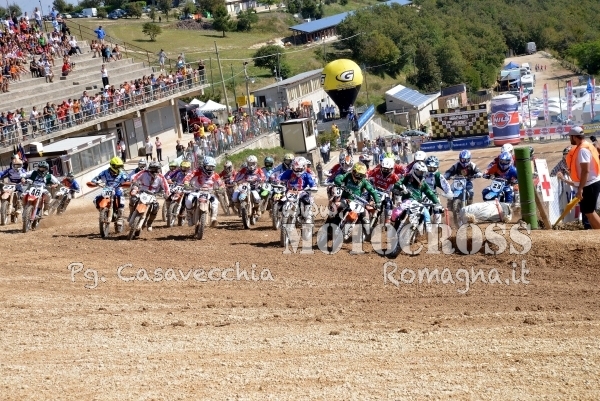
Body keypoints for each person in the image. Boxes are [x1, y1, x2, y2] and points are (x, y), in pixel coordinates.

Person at [564, 126, 600, 229]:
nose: (570, 139)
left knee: (589, 212)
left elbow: (585, 170)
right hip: (590, 183)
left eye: (570, 137)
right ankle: (596, 234)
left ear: (575, 137)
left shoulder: (582, 150)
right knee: (588, 212)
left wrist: (580, 189)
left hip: (589, 184)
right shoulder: (587, 146)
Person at [391, 161, 442, 233]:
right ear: (414, 171)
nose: (421, 175)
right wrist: (398, 189)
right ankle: (392, 226)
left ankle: (428, 232)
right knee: (396, 213)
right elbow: (398, 183)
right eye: (420, 173)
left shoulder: (423, 183)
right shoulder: (408, 178)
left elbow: (429, 193)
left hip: (418, 203)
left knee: (426, 213)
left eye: (423, 173)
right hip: (407, 201)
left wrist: (436, 202)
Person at [333, 162, 381, 237]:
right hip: (345, 199)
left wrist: (378, 202)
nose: (359, 176)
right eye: (357, 174)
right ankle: (332, 225)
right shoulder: (348, 175)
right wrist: (340, 183)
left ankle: (366, 232)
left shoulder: (364, 181)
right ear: (353, 171)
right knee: (337, 206)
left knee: (365, 217)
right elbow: (338, 177)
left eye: (361, 175)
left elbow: (373, 191)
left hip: (356, 202)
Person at [182, 156, 223, 227]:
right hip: (196, 191)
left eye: (212, 167)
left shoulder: (215, 175)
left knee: (215, 202)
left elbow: (221, 183)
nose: (210, 169)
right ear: (204, 166)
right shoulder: (197, 171)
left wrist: (221, 188)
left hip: (209, 192)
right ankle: (189, 217)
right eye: (208, 167)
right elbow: (188, 176)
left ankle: (213, 218)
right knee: (188, 201)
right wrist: (186, 183)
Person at [130, 161, 170, 231]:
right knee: (133, 199)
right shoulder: (144, 172)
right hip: (142, 191)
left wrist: (167, 193)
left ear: (159, 169)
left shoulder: (161, 177)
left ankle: (149, 223)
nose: (154, 171)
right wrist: (135, 185)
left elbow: (166, 186)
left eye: (156, 169)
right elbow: (134, 177)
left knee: (155, 207)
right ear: (149, 168)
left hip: (153, 194)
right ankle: (131, 213)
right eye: (152, 169)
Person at [90, 157, 130, 225]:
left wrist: (126, 183)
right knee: (96, 199)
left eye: (120, 166)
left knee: (121, 197)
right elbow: (97, 178)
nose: (119, 168)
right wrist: (94, 182)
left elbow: (128, 180)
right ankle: (102, 211)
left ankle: (120, 217)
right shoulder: (105, 172)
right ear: (112, 165)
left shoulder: (122, 173)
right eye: (117, 166)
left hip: (117, 189)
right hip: (107, 189)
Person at [278, 157, 318, 223]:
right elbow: (281, 177)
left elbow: (312, 183)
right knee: (281, 201)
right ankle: (279, 215)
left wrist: (313, 187)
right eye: (295, 168)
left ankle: (308, 216)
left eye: (299, 168)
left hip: (301, 191)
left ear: (304, 167)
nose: (297, 170)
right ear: (292, 167)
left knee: (306, 200)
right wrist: (278, 181)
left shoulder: (306, 175)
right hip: (290, 191)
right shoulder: (289, 172)